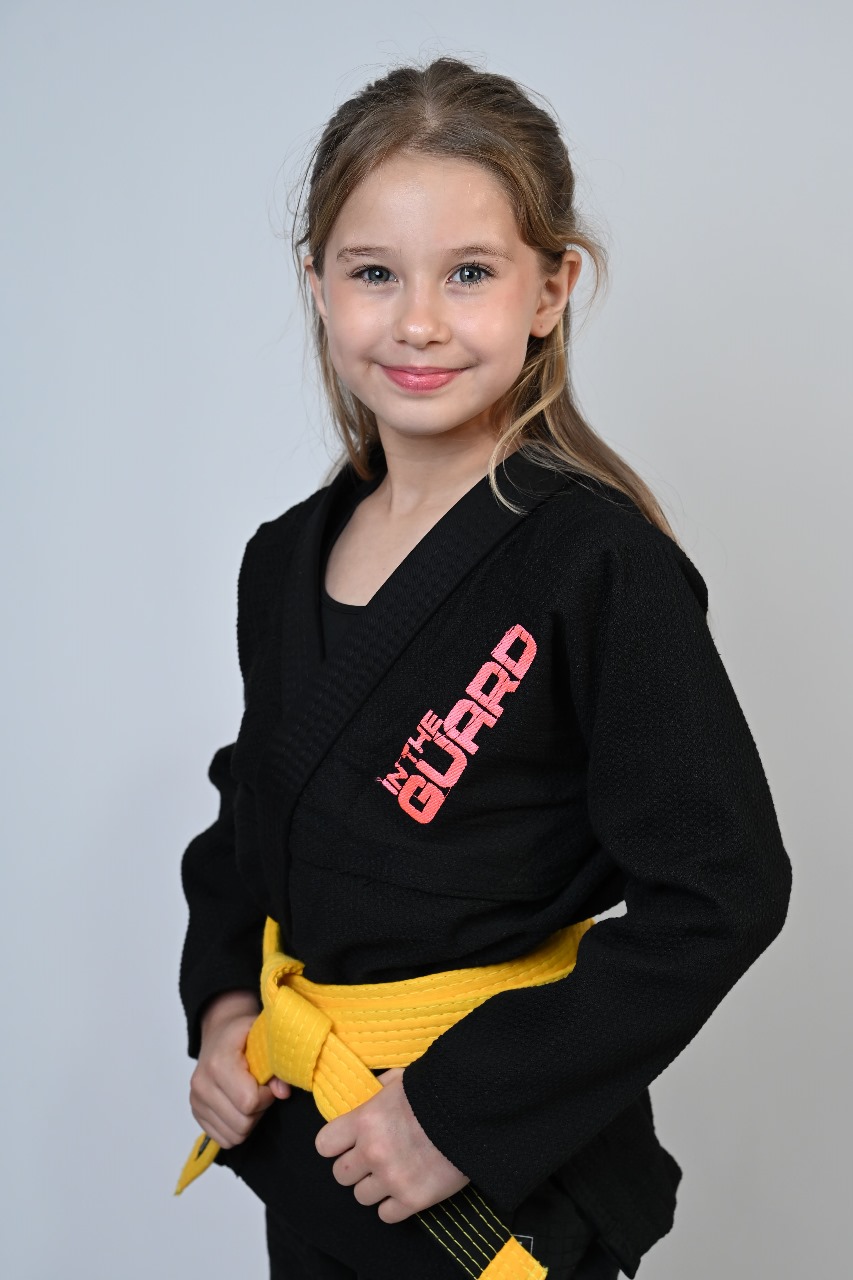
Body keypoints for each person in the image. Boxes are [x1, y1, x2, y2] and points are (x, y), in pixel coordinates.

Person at [176, 57, 792, 1280]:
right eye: (373, 273)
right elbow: (254, 812)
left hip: (492, 1183)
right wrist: (224, 1003)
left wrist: (457, 1113)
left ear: (551, 288)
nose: (417, 320)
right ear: (316, 283)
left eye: (469, 272)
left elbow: (721, 887)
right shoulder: (280, 559)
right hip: (315, 1145)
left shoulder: (594, 562)